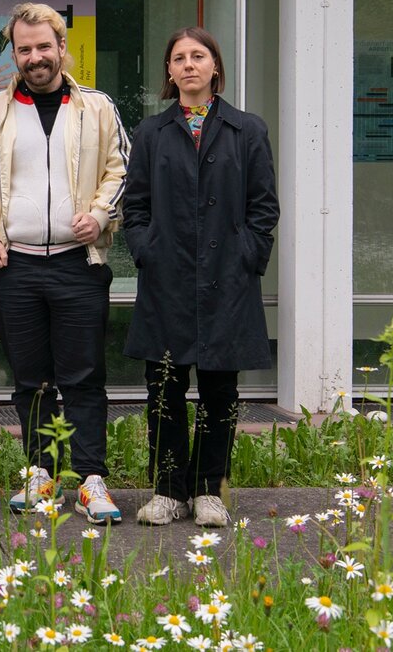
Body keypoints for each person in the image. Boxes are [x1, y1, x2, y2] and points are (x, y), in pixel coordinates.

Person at [0, 3, 130, 524]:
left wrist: (100, 215)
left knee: (83, 376)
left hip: (80, 263)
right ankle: (41, 471)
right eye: (24, 49)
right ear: (14, 53)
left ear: (62, 48)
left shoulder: (97, 107)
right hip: (15, 268)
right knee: (30, 378)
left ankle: (91, 478)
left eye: (43, 47)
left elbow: (121, 166)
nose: (34, 57)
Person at [123, 27, 278, 528]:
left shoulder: (247, 130)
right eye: (179, 58)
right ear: (169, 71)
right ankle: (168, 490)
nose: (189, 64)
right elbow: (136, 206)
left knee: (220, 390)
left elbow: (263, 207)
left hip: (227, 280)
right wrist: (147, 250)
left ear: (215, 66)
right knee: (164, 387)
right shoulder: (151, 133)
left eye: (198, 56)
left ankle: (210, 489)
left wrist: (248, 257)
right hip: (166, 279)